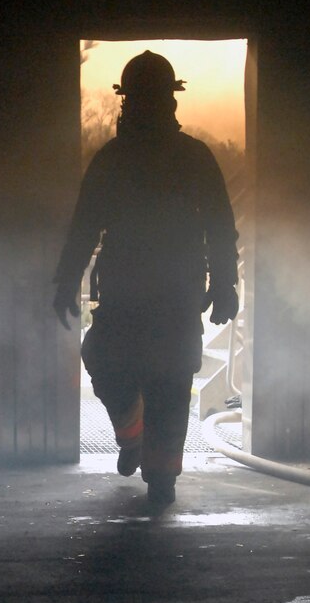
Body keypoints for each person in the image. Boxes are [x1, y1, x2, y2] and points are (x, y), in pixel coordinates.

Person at [53, 50, 239, 505]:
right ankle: (135, 437)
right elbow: (84, 225)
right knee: (109, 361)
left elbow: (219, 225)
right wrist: (66, 281)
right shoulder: (132, 158)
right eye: (146, 98)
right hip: (139, 291)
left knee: (168, 382)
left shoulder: (168, 157)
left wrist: (224, 284)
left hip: (168, 292)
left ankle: (161, 476)